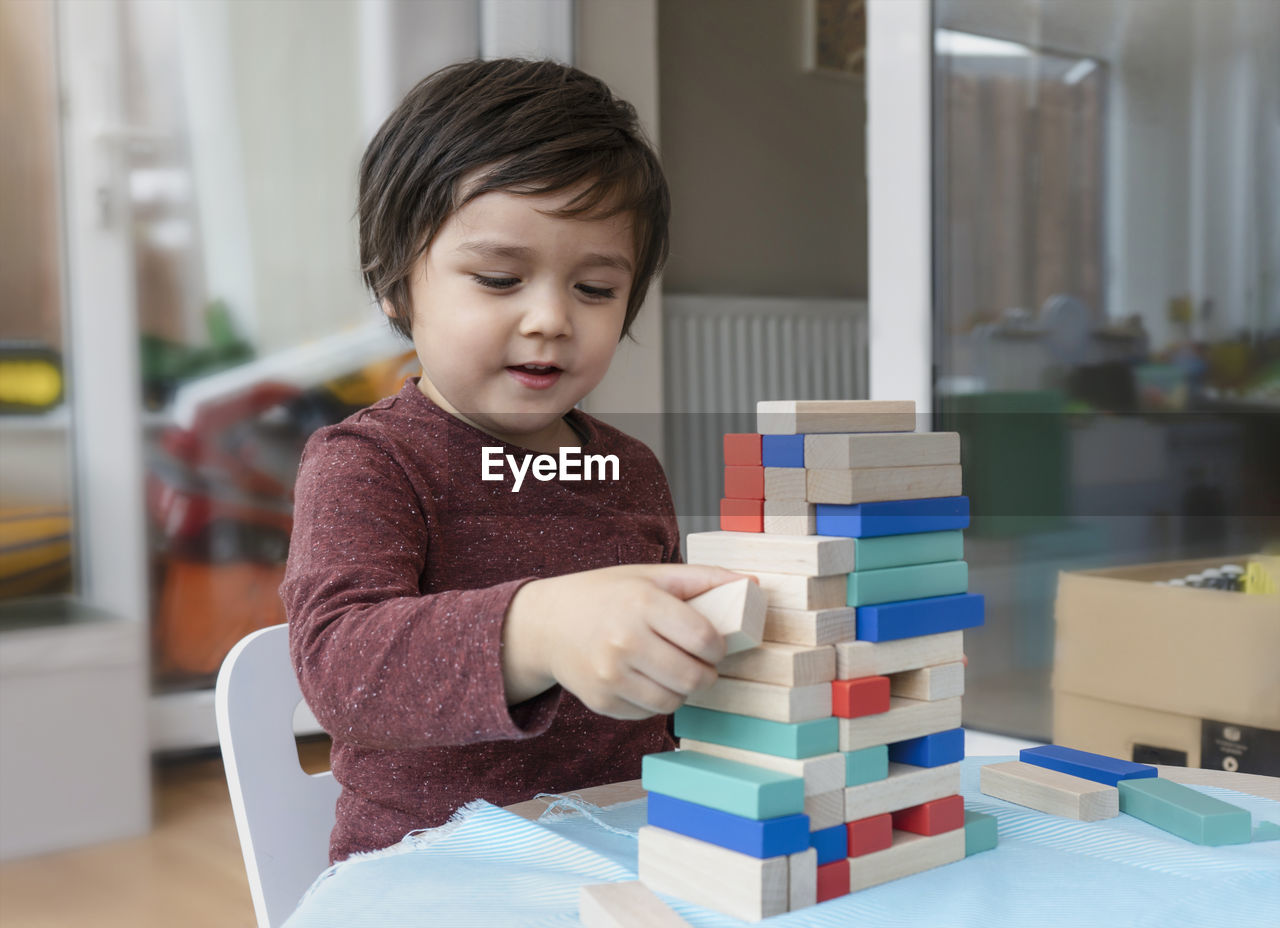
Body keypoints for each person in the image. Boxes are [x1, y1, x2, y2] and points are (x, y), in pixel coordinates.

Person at [281, 57, 745, 863]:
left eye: (596, 291)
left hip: (628, 847)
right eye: (500, 279)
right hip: (432, 868)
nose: (549, 319)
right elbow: (339, 668)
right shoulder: (369, 462)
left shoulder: (629, 468)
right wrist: (537, 630)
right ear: (396, 287)